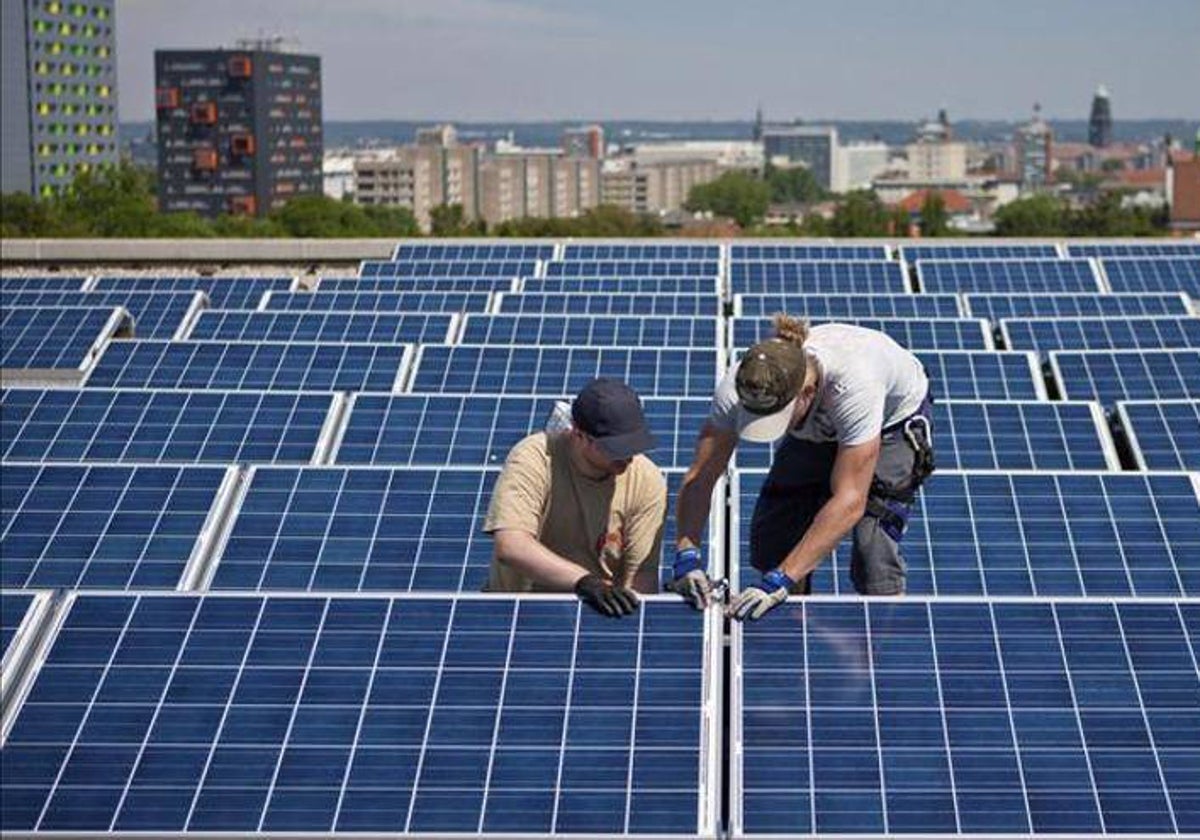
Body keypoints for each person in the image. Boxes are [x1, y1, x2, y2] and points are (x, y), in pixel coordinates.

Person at [669, 314, 935, 621]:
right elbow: (702, 476)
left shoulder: (855, 388)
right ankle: (794, 638)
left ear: (806, 395)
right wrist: (686, 554)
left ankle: (884, 647)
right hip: (820, 422)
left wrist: (781, 580)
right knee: (774, 542)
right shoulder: (738, 387)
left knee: (872, 552)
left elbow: (850, 501)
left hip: (890, 422)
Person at [484, 377, 668, 617]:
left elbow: (641, 575)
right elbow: (511, 544)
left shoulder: (647, 479)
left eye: (633, 445)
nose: (628, 456)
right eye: (616, 447)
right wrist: (584, 581)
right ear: (579, 435)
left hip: (595, 615)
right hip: (519, 612)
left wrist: (634, 627)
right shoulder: (534, 458)